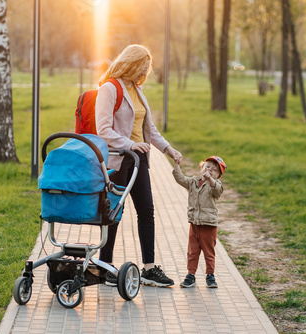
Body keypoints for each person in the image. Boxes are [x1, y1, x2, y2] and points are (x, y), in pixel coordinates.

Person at [95, 44, 182, 287]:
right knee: (114, 212)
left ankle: (149, 269)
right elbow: (103, 129)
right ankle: (105, 267)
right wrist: (129, 145)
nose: (144, 73)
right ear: (130, 63)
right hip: (118, 159)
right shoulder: (110, 88)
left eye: (146, 69)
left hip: (139, 160)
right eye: (141, 68)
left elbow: (148, 129)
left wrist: (168, 149)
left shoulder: (137, 89)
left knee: (146, 211)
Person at [172, 156, 226, 288]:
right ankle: (191, 274)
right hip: (194, 223)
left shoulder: (216, 185)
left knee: (209, 251)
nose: (210, 170)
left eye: (214, 170)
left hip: (208, 225)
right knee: (192, 251)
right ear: (202, 168)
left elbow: (216, 190)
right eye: (207, 167)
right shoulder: (193, 181)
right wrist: (176, 165)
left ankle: (210, 275)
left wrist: (210, 179)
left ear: (218, 176)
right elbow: (181, 179)